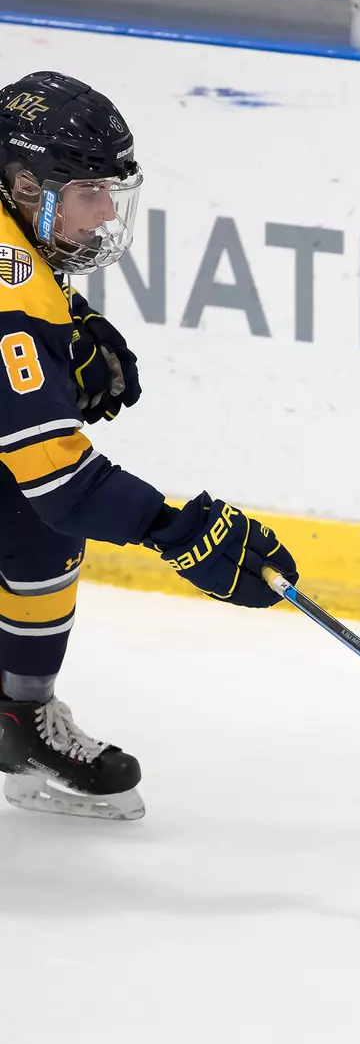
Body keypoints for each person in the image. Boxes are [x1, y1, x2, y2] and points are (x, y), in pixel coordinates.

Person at [0, 71, 300, 821]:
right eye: (88, 191)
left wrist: (72, 320)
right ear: (24, 181)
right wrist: (177, 530)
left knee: (31, 521)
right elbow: (66, 484)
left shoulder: (19, 253)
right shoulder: (11, 305)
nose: (104, 215)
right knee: (47, 503)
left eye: (111, 190)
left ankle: (17, 718)